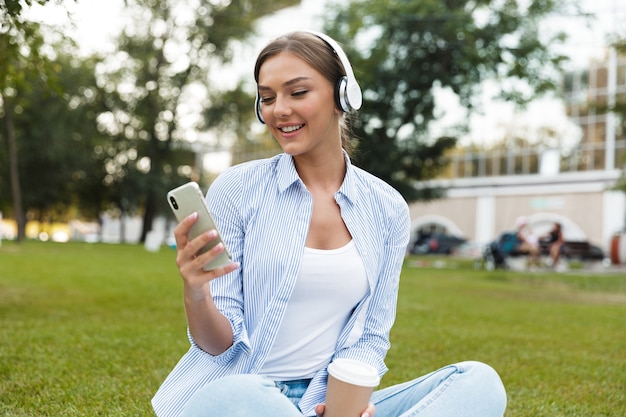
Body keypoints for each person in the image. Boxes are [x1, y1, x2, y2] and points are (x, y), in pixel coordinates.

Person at [152, 31, 507, 417]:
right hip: (241, 398)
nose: (279, 110)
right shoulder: (237, 189)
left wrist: (344, 409)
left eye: (297, 93)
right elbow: (220, 345)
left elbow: (370, 337)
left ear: (343, 96)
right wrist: (196, 292)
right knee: (246, 395)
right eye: (267, 98)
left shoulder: (387, 208)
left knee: (478, 382)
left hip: (321, 404)